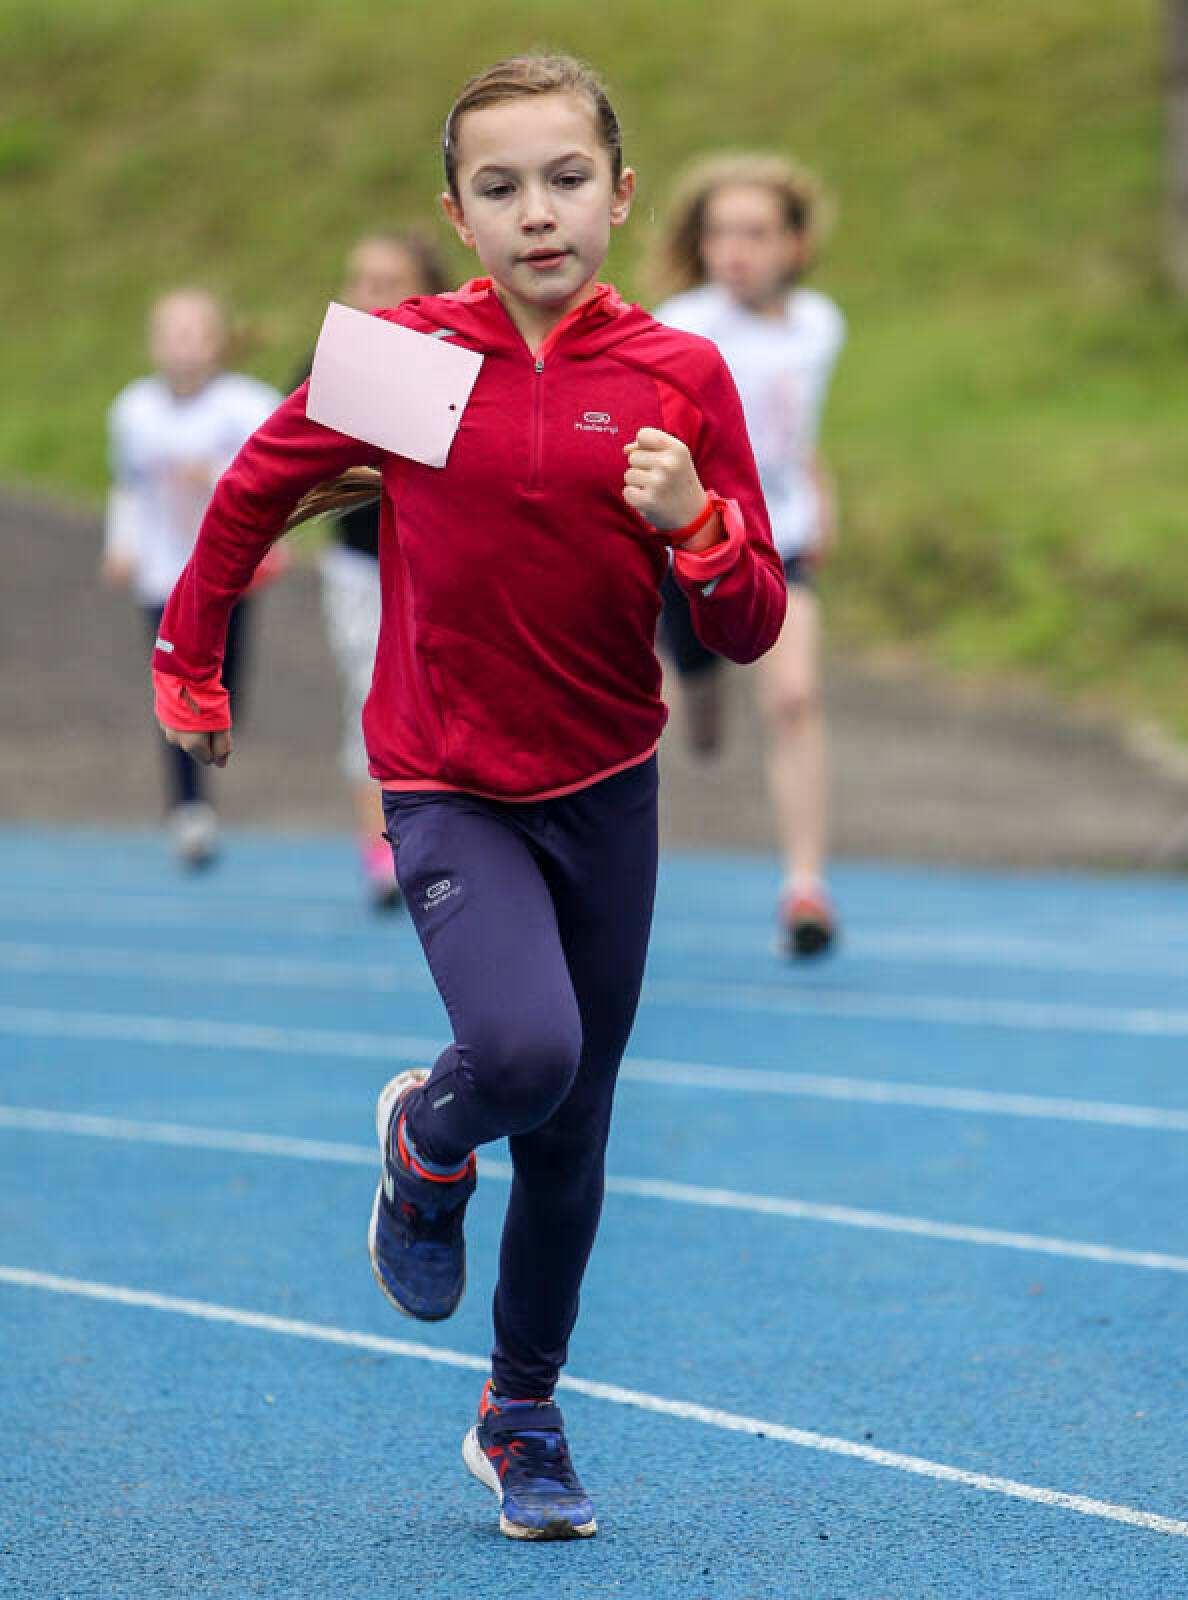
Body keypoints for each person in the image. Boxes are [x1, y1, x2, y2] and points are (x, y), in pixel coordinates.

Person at [151, 55, 785, 1540]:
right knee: (522, 1051)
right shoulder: (408, 359)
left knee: (571, 1127)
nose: (537, 212)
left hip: (607, 788)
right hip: (447, 781)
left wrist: (696, 523)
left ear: (621, 197)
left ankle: (521, 1415)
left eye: (566, 179)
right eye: (499, 188)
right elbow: (251, 491)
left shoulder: (680, 376)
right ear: (458, 215)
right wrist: (191, 661)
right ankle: (426, 1142)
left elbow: (749, 622)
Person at [649, 155, 846, 956]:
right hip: (694, 539)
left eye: (756, 233)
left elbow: (790, 431)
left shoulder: (820, 325)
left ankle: (805, 889)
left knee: (794, 698)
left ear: (794, 244)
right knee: (694, 721)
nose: (736, 250)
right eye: (721, 233)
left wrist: (822, 492)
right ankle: (699, 692)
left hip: (781, 536)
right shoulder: (680, 323)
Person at [296, 231, 450, 908]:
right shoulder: (327, 365)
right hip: (362, 569)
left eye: (391, 282)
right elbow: (287, 466)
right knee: (370, 694)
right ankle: (382, 850)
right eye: (362, 280)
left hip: (448, 570)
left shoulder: (463, 364)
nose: (373, 295)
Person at [103, 288, 281, 865]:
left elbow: (281, 479)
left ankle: (205, 761)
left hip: (229, 575)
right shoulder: (133, 409)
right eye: (169, 335)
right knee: (173, 685)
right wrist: (121, 545)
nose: (181, 347)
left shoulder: (249, 405)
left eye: (193, 334)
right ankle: (188, 808)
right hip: (164, 575)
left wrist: (221, 477)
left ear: (218, 341)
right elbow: (128, 485)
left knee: (226, 689)